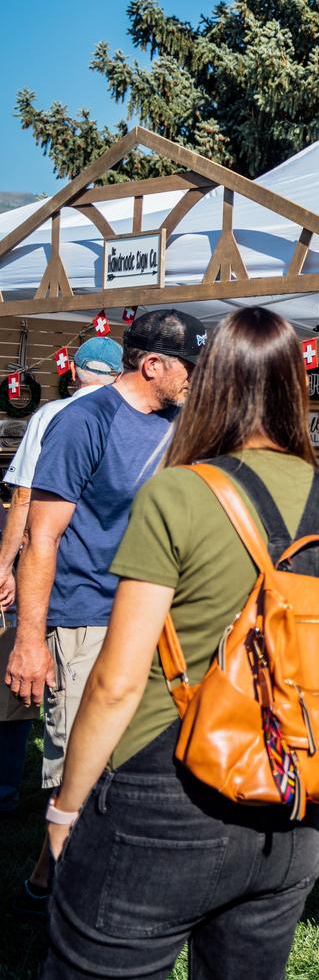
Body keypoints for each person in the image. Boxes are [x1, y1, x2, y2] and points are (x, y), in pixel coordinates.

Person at [40, 307, 319, 978]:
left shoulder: (180, 493)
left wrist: (63, 807)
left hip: (166, 795)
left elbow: (116, 680)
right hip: (289, 802)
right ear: (293, 387)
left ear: (213, 380)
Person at [6, 312, 200, 914]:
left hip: (152, 619)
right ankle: (74, 918)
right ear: (152, 366)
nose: (198, 379)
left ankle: (44, 885)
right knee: (78, 772)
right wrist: (31, 641)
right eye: (190, 367)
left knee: (130, 765)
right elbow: (43, 538)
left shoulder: (180, 424)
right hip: (85, 617)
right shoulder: (81, 422)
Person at [0, 337, 121, 817]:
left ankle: (26, 804)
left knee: (53, 699)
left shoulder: (52, 416)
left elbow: (25, 499)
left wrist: (5, 563)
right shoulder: (140, 415)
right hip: (125, 592)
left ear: (74, 373)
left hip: (67, 583)